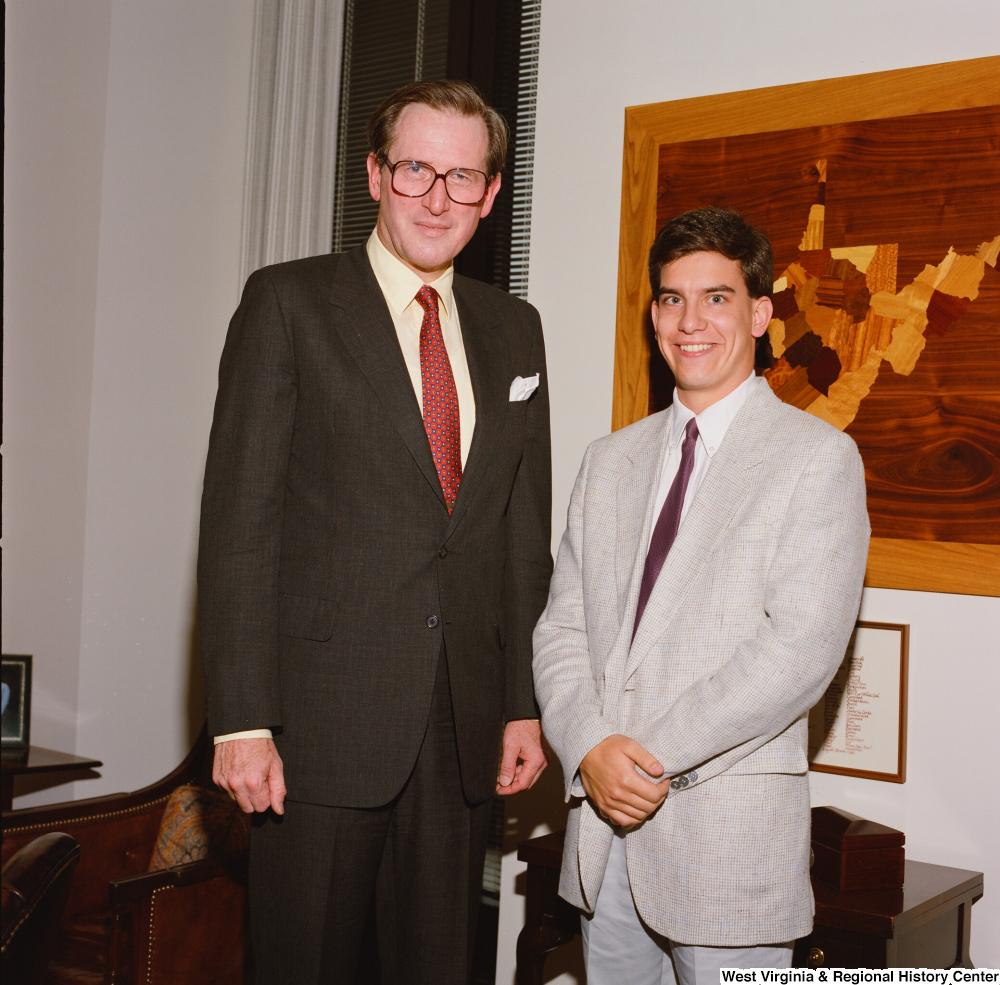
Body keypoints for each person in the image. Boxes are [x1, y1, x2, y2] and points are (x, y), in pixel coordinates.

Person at [198, 79, 552, 984]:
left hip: (461, 724)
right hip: (315, 728)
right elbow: (240, 525)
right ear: (374, 175)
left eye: (463, 177)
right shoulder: (287, 303)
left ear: (493, 192)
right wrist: (241, 718)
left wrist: (522, 699)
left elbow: (519, 531)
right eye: (416, 169)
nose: (438, 197)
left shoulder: (517, 331)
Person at [533, 207, 870, 985]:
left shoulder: (817, 460)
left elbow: (798, 652)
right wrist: (587, 745)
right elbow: (561, 628)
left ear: (759, 313)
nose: (690, 321)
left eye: (716, 297)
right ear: (654, 313)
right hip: (603, 845)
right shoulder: (608, 460)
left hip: (726, 847)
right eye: (672, 298)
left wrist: (640, 760)